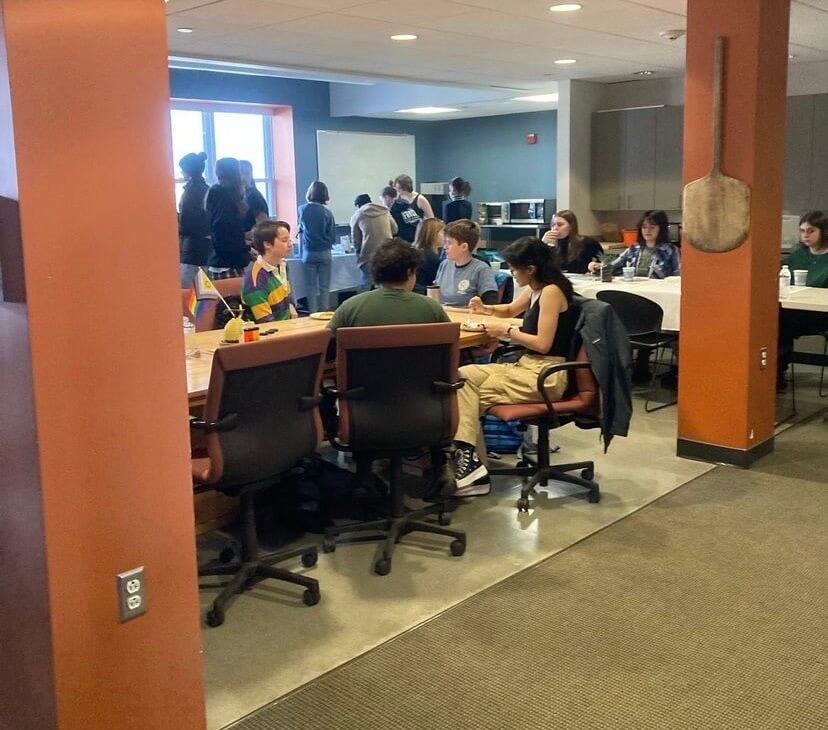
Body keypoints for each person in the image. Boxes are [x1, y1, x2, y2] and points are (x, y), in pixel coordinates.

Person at [450, 237, 577, 496]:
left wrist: (505, 330)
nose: (511, 273)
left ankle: (470, 466)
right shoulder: (535, 287)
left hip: (545, 374)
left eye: (514, 268)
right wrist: (486, 309)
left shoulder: (551, 291)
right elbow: (509, 309)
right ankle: (471, 466)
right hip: (527, 367)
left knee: (463, 393)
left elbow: (543, 343)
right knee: (461, 378)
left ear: (530, 268)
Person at [327, 238, 449, 332]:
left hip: (365, 365)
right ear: (409, 272)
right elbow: (449, 345)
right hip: (419, 365)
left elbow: (328, 346)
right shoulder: (432, 309)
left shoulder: (349, 308)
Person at [778, 210, 828, 388]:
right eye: (802, 231)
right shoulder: (798, 255)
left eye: (811, 231)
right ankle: (777, 374)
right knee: (774, 320)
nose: (805, 235)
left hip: (821, 314)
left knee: (780, 320)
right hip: (796, 310)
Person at [591, 210, 679, 279]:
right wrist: (598, 267)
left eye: (652, 227)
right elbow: (614, 266)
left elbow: (678, 277)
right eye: (644, 227)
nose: (647, 231)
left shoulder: (671, 251)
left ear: (661, 229)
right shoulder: (634, 249)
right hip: (634, 291)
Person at [241, 219, 298, 323]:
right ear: (267, 244)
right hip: (269, 333)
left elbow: (287, 295)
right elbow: (266, 323)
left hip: (287, 326)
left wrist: (290, 305)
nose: (290, 244)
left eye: (289, 239)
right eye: (284, 240)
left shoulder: (282, 265)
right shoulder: (255, 279)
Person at [433, 219, 499, 307]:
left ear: (464, 247)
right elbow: (434, 295)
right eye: (445, 242)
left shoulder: (481, 269)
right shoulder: (444, 265)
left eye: (449, 243)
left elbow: (491, 302)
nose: (445, 247)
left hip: (467, 317)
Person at [205, 157, 250, 280]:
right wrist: (245, 248)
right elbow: (223, 232)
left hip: (223, 261)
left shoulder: (219, 196)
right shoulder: (225, 199)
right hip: (228, 265)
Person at [298, 180, 336, 312]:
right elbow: (332, 237)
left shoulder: (302, 209)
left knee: (310, 287)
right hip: (325, 253)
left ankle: (312, 314)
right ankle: (324, 313)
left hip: (308, 253)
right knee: (324, 287)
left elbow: (301, 229)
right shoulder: (328, 213)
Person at [350, 192, 398, 292]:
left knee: (366, 281)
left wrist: (358, 253)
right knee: (386, 282)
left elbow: (356, 240)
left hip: (369, 254)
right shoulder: (385, 211)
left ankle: (362, 305)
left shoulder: (357, 215)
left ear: (358, 205)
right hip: (388, 252)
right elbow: (395, 230)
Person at [177, 151, 210, 288]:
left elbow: (189, 223)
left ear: (187, 171)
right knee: (203, 289)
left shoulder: (190, 192)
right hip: (205, 247)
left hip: (192, 248)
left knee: (188, 291)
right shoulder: (206, 189)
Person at [541, 210, 604, 274]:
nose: (555, 228)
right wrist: (541, 244)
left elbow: (603, 265)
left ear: (571, 226)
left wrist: (592, 266)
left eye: (560, 225)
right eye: (553, 225)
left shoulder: (588, 243)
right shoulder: (551, 245)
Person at [413, 218, 444, 294]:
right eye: (443, 232)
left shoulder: (416, 252)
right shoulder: (430, 257)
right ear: (433, 234)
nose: (446, 236)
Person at [239, 160, 269, 234]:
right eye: (241, 173)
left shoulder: (253, 196)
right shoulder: (243, 196)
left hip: (252, 243)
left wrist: (241, 236)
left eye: (246, 173)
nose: (243, 177)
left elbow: (263, 226)